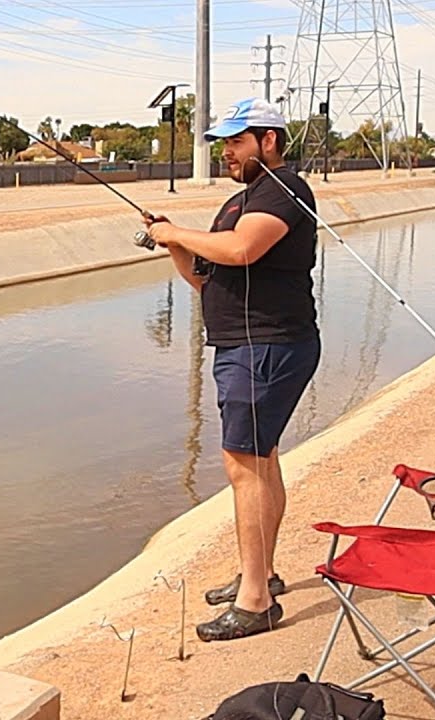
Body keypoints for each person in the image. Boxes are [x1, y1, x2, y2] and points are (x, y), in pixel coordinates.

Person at [143, 98, 321, 642]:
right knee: (261, 460)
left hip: (265, 347)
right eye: (223, 143)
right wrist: (170, 239)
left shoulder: (284, 191)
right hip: (242, 347)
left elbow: (242, 250)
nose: (226, 153)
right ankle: (260, 573)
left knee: (244, 464)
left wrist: (178, 232)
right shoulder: (239, 201)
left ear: (269, 140)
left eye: (236, 142)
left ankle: (255, 602)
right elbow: (207, 275)